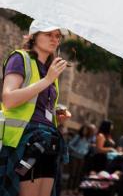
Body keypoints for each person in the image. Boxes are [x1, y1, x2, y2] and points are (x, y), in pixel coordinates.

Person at [0, 20, 71, 196]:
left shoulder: (50, 70)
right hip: (26, 143)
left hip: (49, 141)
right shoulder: (20, 58)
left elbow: (39, 108)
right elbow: (8, 99)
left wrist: (56, 117)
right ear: (34, 36)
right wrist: (46, 80)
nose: (54, 39)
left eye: (57, 36)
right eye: (49, 34)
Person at [67, 123, 95, 190]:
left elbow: (87, 148)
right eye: (84, 130)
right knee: (72, 174)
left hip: (82, 158)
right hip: (74, 157)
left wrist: (85, 151)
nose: (85, 131)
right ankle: (69, 189)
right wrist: (76, 150)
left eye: (86, 130)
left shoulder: (88, 139)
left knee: (78, 174)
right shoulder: (78, 137)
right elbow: (70, 144)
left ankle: (74, 189)